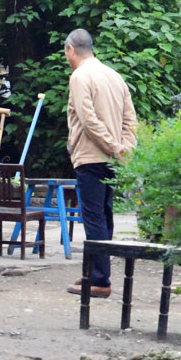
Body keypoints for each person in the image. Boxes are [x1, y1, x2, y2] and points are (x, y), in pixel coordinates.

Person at [64, 28, 138, 299]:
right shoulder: (115, 76)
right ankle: (97, 273)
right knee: (105, 216)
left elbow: (88, 119)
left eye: (66, 53)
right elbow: (131, 120)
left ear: (71, 49)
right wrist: (124, 149)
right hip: (113, 160)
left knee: (94, 217)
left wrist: (111, 146)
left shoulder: (80, 76)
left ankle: (98, 278)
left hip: (91, 156)